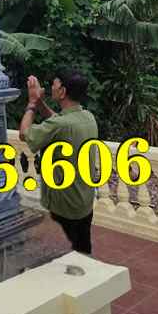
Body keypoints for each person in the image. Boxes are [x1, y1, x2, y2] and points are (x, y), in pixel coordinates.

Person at [19, 68, 98, 255]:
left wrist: (32, 104)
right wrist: (40, 103)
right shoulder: (87, 117)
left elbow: (24, 133)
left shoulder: (61, 125)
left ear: (62, 91)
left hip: (65, 206)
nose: (51, 87)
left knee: (66, 253)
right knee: (82, 247)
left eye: (54, 85)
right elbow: (56, 119)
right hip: (84, 201)